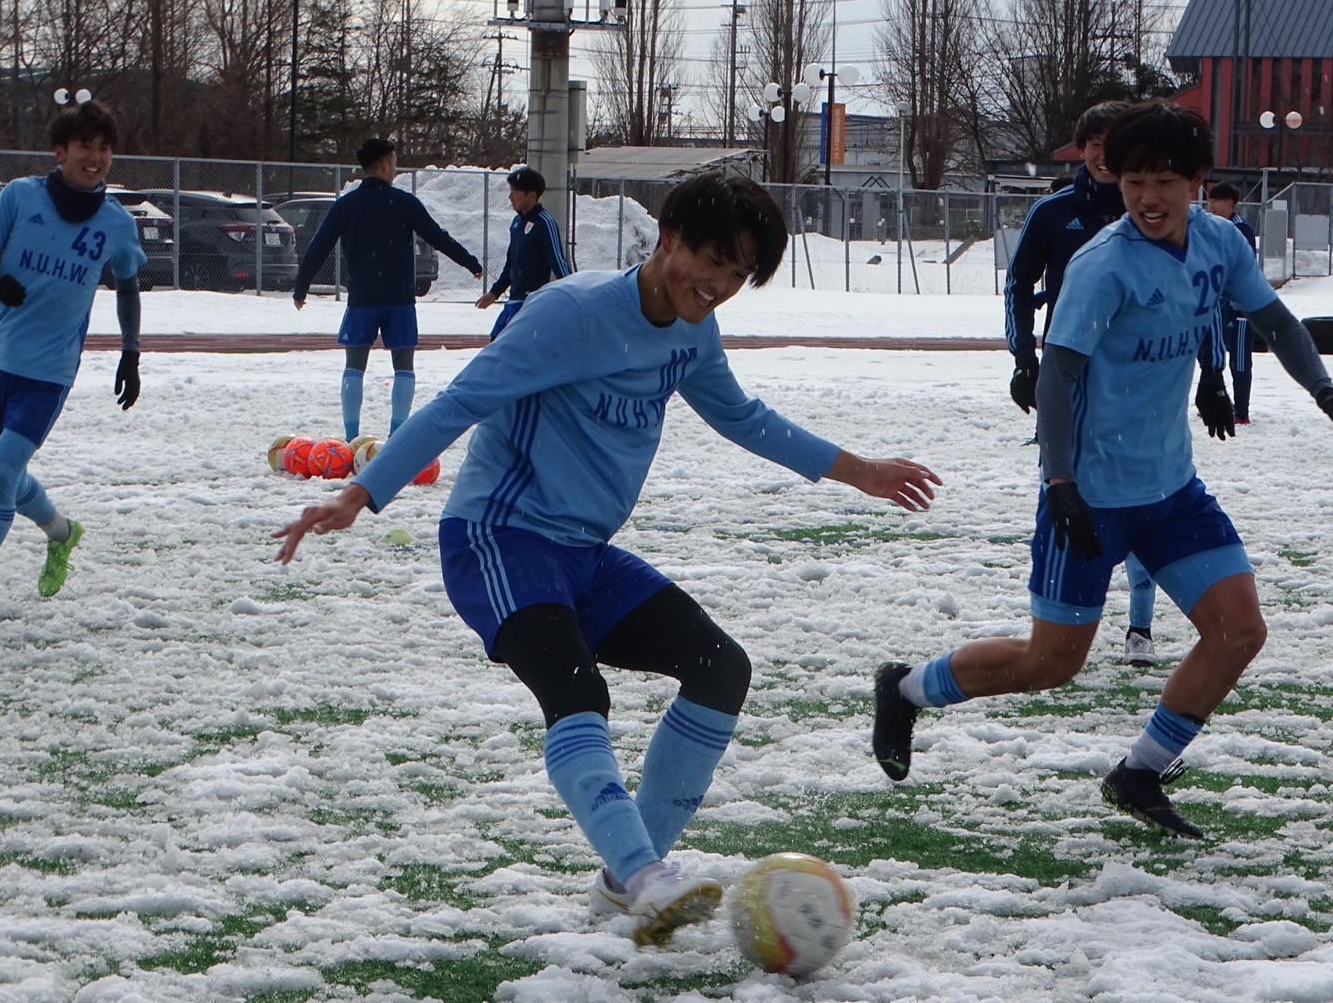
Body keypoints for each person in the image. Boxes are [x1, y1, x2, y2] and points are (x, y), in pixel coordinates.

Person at [274, 172, 941, 945]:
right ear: (668, 238)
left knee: (720, 668)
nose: (719, 285)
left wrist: (859, 471)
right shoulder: (572, 313)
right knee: (576, 690)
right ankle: (646, 877)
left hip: (584, 556)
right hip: (499, 539)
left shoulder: (692, 332)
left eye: (738, 274)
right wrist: (360, 493)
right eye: (712, 261)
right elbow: (463, 400)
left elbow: (742, 417)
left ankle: (629, 879)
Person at [875, 99, 1333, 839]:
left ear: (1196, 181)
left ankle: (1140, 771)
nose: (1147, 198)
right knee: (1051, 663)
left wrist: (1324, 389)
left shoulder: (1219, 242)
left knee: (1239, 632)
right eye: (1133, 182)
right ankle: (905, 688)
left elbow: (1274, 321)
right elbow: (1059, 377)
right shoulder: (1103, 265)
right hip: (1090, 493)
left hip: (1172, 490)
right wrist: (1061, 483)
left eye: (1163, 182)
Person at [1004, 101, 1164, 668]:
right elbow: (1019, 284)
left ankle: (1140, 625)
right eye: (1095, 143)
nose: (1103, 155)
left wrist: (1211, 375)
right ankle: (1056, 624)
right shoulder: (1054, 212)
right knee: (1062, 489)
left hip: (1140, 383)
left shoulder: (1154, 214)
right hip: (1069, 381)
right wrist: (1024, 357)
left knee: (1147, 492)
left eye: (1114, 143)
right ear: (1083, 149)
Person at [0, 98, 144, 597]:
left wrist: (131, 353)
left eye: (105, 148)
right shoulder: (20, 197)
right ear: (60, 152)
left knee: (0, 469)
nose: (95, 157)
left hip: (48, 373)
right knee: (2, 472)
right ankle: (61, 532)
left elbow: (127, 288)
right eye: (85, 146)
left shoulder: (117, 224)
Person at [293, 137, 484, 441]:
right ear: (383, 166)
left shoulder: (346, 205)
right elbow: (437, 237)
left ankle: (351, 436)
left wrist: (301, 287)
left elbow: (318, 246)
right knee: (403, 366)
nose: (396, 169)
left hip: (362, 299)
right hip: (399, 299)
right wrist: (470, 262)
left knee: (354, 366)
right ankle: (398, 435)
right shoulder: (403, 202)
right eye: (394, 163)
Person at [475, 165, 572, 338]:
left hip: (531, 303)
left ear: (532, 195)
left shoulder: (545, 223)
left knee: (509, 346)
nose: (510, 197)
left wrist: (574, 294)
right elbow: (511, 263)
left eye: (516, 191)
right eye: (510, 191)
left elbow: (558, 262)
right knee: (496, 341)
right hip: (513, 301)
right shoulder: (517, 223)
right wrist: (495, 292)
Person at [1207, 182, 1260, 424]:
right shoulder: (1214, 228)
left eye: (1216, 202)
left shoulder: (1241, 230)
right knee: (1209, 354)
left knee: (1239, 359)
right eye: (1210, 202)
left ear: (1230, 204)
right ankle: (1217, 401)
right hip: (1219, 304)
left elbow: (1238, 267)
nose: (1212, 207)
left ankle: (1241, 412)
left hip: (1239, 307)